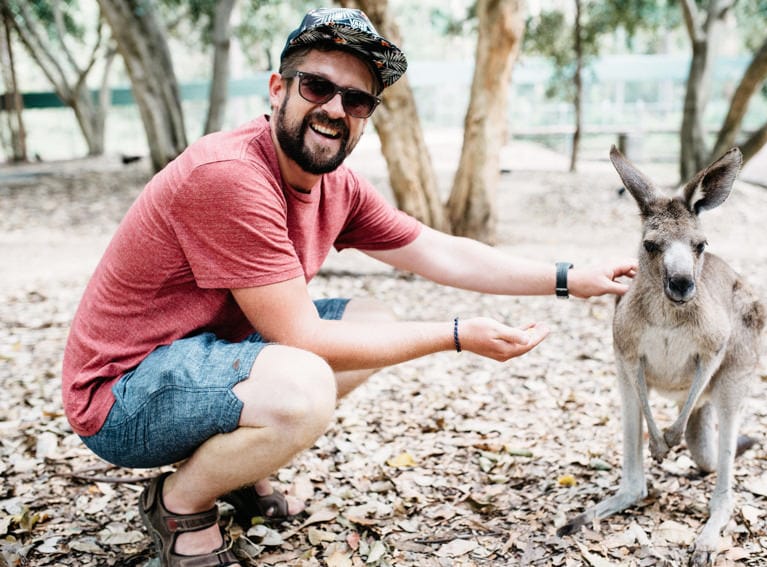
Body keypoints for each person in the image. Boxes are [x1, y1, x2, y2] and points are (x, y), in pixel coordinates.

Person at [62, 7, 636, 567]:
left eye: (356, 99)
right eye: (316, 86)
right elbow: (301, 335)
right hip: (121, 397)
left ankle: (237, 467)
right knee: (305, 382)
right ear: (277, 89)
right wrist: (457, 335)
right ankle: (179, 506)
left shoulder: (337, 186)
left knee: (373, 320)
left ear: (367, 116)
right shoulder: (231, 176)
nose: (335, 109)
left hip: (201, 360)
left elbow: (439, 250)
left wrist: (568, 280)